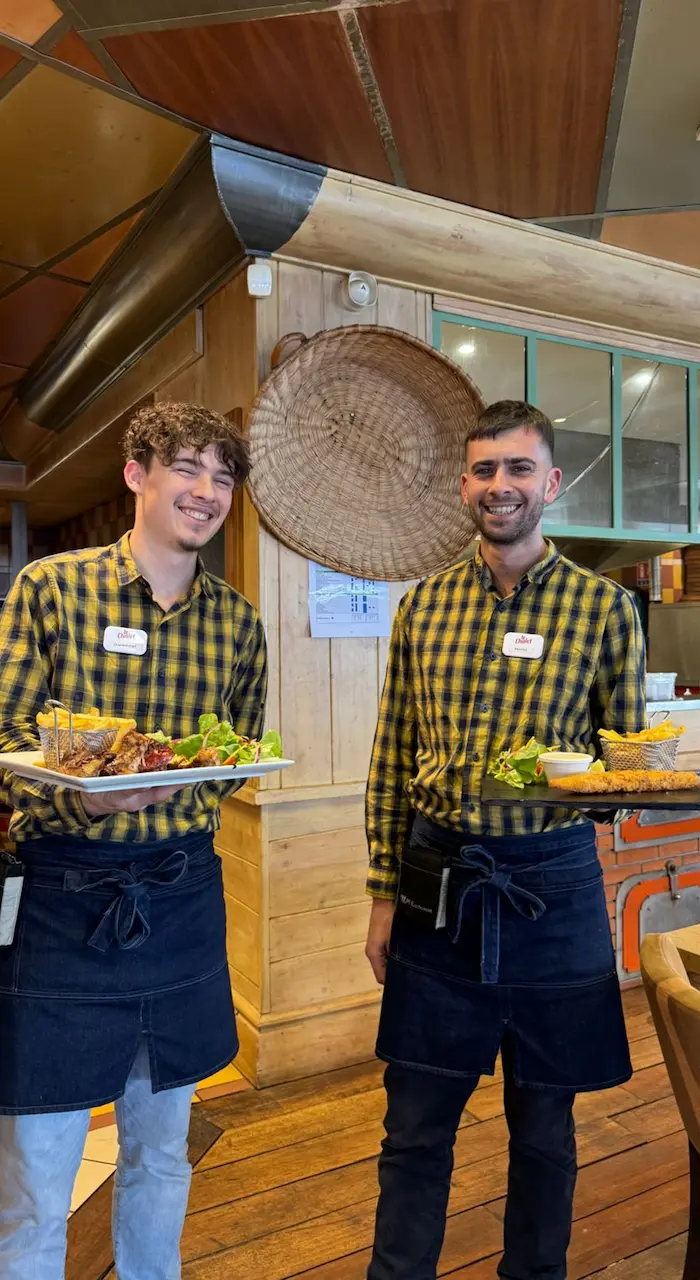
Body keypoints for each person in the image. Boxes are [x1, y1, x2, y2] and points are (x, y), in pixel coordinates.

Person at [364, 400, 645, 1280]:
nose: (501, 486)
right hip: (436, 879)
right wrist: (381, 897)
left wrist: (582, 781)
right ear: (464, 486)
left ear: (551, 483)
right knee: (413, 1123)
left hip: (552, 886)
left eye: (519, 469)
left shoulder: (605, 611)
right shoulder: (423, 608)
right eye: (485, 470)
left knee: (547, 1126)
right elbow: (392, 758)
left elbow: (625, 763)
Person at [0, 402, 267, 1279]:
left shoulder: (237, 623)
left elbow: (239, 753)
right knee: (38, 1176)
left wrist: (194, 776)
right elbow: (5, 743)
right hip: (65, 901)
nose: (205, 492)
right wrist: (92, 804)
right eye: (186, 468)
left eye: (222, 477)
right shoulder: (50, 588)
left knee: (160, 1154)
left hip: (181, 891)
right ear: (137, 476)